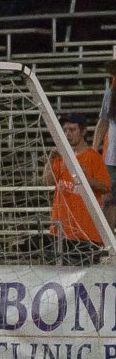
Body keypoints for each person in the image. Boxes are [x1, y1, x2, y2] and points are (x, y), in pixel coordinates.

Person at [42, 113, 110, 265]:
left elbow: (105, 186)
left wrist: (86, 179)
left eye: (72, 130)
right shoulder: (61, 156)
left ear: (84, 131)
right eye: (65, 130)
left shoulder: (93, 157)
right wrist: (50, 160)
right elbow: (47, 181)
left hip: (85, 232)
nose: (67, 134)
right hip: (60, 229)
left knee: (85, 280)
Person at [92, 60, 116, 198]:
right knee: (109, 200)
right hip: (112, 158)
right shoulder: (111, 94)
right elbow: (103, 122)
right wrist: (94, 149)